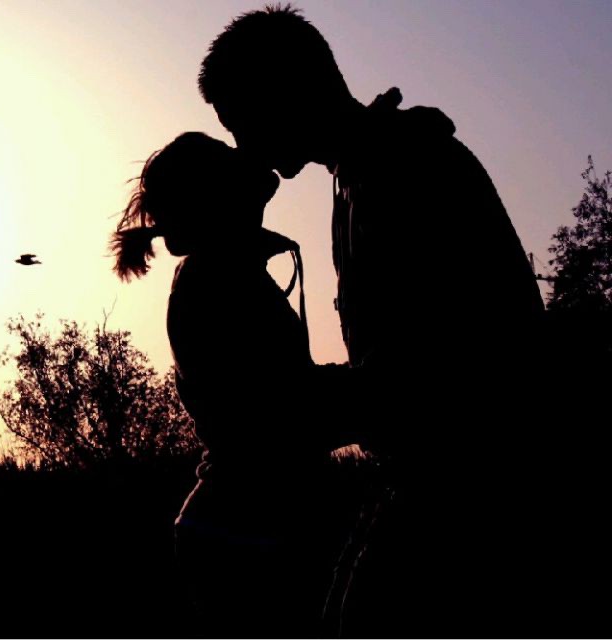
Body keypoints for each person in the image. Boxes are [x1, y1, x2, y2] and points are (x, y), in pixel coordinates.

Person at [197, 6, 548, 635]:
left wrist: (277, 418)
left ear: (286, 91)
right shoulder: (364, 174)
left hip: (471, 491)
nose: (244, 148)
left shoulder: (406, 168)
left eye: (241, 122)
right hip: (432, 482)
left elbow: (438, 365)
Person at [111, 131, 358, 637]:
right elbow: (284, 409)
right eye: (236, 184)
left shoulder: (225, 271)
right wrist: (391, 389)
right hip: (250, 530)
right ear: (216, 204)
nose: (259, 192)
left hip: (241, 521)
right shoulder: (217, 282)